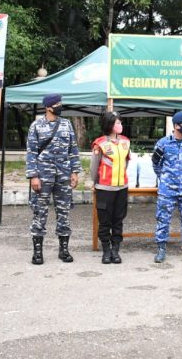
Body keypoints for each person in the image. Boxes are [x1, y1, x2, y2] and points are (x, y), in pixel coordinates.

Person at [26, 94, 81, 265]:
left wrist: (75, 172)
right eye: (57, 103)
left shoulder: (66, 124)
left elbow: (73, 149)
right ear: (48, 107)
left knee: (64, 212)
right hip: (43, 176)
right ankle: (37, 252)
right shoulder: (36, 125)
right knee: (39, 213)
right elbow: (31, 152)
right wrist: (33, 176)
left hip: (63, 175)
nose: (60, 105)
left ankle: (63, 250)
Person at [151, 111, 182, 263]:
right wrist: (165, 178)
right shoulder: (163, 143)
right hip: (167, 190)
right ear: (176, 126)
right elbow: (155, 164)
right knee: (163, 219)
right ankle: (161, 248)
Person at [90, 111, 131, 265]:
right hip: (104, 188)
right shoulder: (99, 143)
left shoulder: (126, 142)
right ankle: (106, 250)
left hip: (122, 188)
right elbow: (94, 167)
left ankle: (115, 250)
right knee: (105, 221)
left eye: (120, 122)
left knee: (118, 220)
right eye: (117, 123)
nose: (120, 125)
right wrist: (96, 183)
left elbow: (127, 162)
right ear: (109, 125)